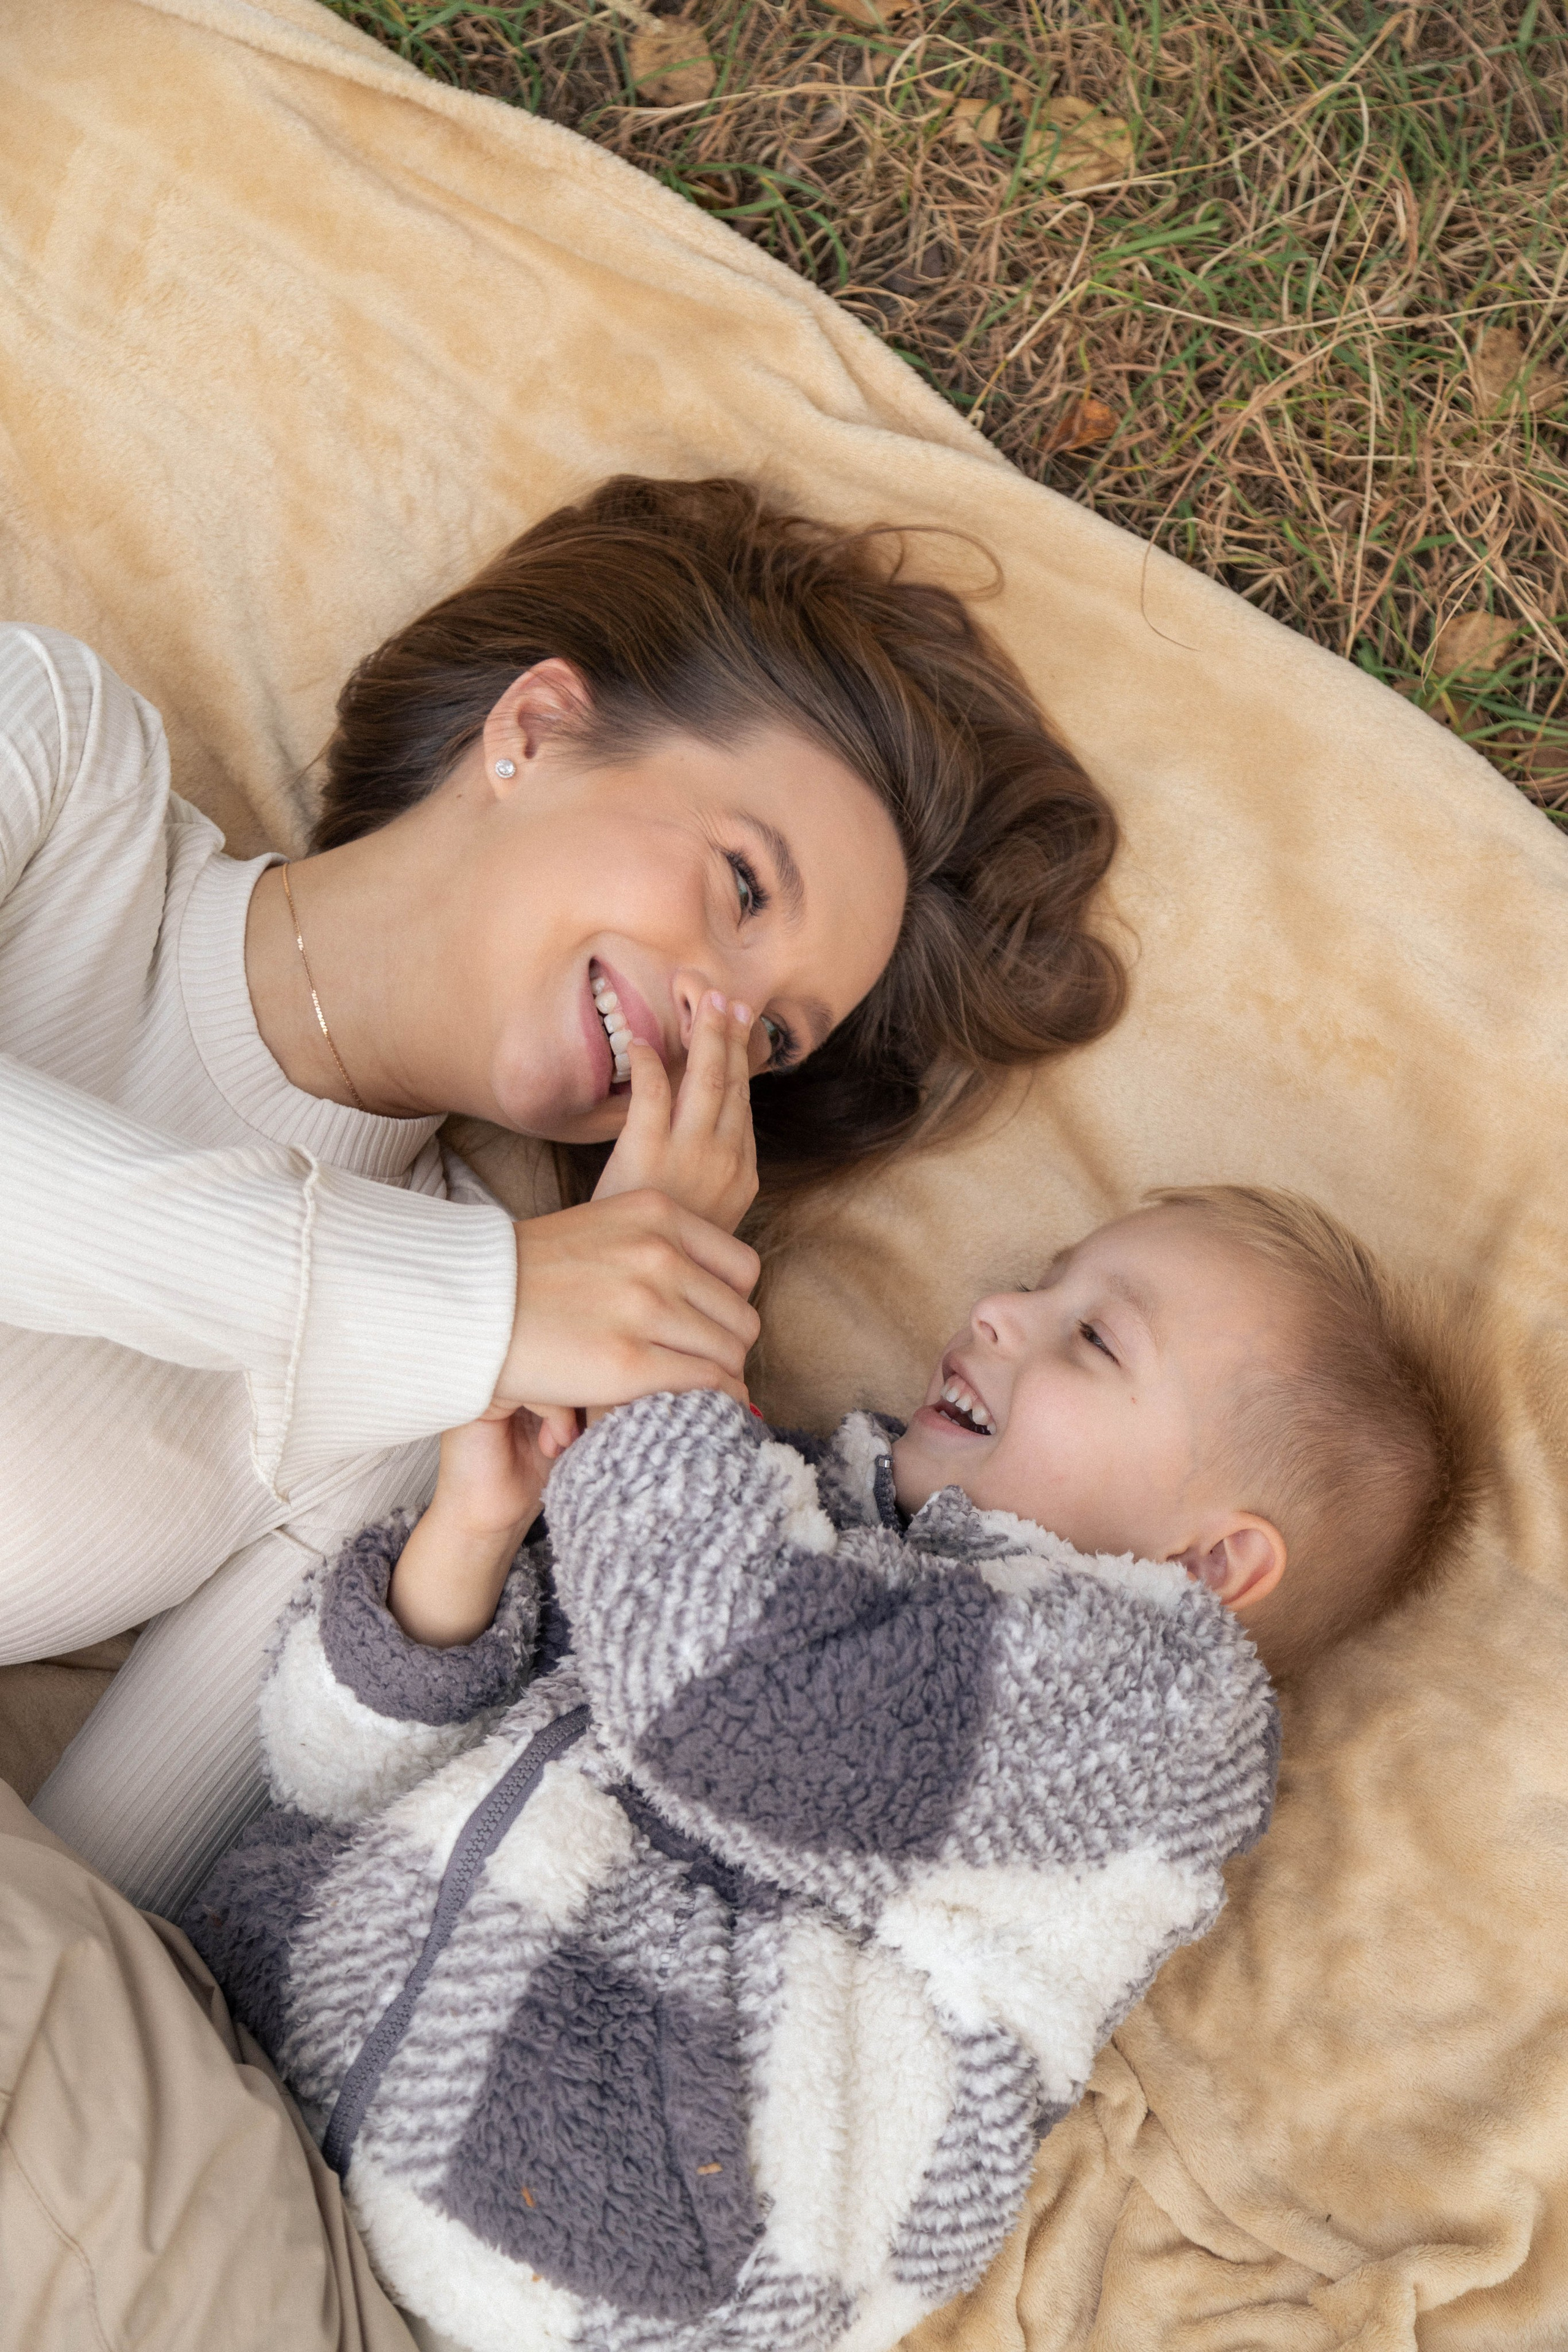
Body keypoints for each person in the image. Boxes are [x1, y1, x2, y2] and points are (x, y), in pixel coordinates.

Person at [181, 1090, 1480, 2350]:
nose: (999, 1307)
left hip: (521, 2277)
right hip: (237, 2066)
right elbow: (318, 1772)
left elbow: (718, 1691)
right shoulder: (761, 1507)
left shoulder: (1148, 1711)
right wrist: (469, 1545)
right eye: (1041, 1276)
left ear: (1210, 1568)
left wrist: (660, 1336)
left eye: (1093, 1339)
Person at [0, 474, 1124, 1913]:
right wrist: (492, 1301)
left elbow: (81, 1921)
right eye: (738, 884)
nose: (715, 1018)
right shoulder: (62, 758)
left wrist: (566, 1352)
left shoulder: (447, 1392)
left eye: (774, 1040)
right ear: (533, 728)